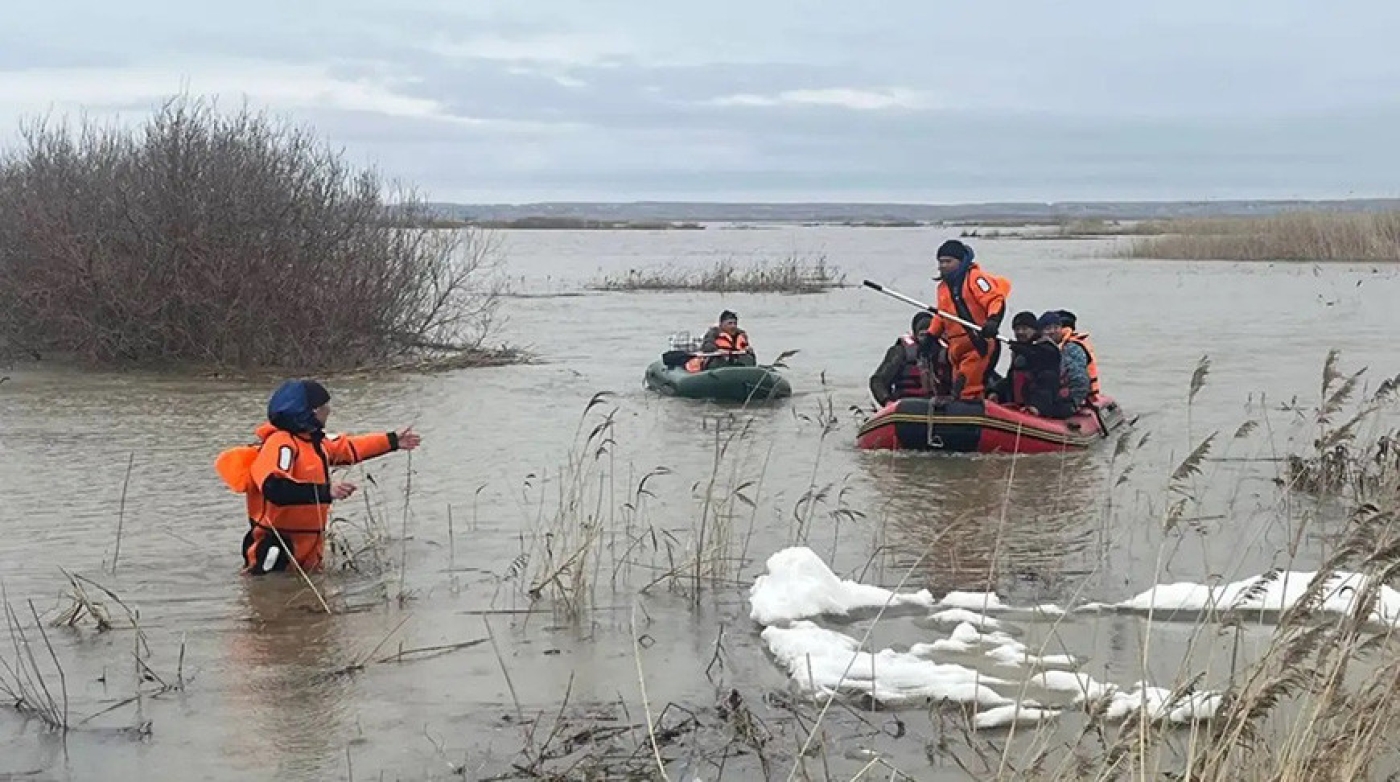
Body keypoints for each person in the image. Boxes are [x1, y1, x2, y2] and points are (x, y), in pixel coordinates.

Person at [222, 379, 421, 576]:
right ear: (310, 412)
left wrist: (392, 441)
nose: (329, 411)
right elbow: (275, 488)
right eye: (324, 406)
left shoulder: (315, 442)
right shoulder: (280, 444)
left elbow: (349, 447)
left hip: (308, 547)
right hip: (277, 548)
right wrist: (327, 492)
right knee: (270, 598)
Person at [924, 239, 1011, 399]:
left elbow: (994, 300)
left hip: (978, 344)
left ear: (960, 261)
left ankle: (976, 411)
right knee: (958, 387)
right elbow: (942, 315)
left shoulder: (975, 278)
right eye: (941, 262)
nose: (943, 266)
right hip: (956, 348)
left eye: (948, 261)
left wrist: (993, 320)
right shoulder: (943, 288)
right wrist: (931, 336)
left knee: (968, 389)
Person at [988, 311, 1064, 416]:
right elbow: (1010, 379)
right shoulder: (1018, 352)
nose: (1020, 332)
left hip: (1042, 405)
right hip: (1018, 404)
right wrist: (995, 392)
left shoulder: (1048, 348)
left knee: (1047, 377)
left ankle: (1036, 408)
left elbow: (1037, 358)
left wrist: (1036, 406)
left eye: (1024, 329)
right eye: (1017, 329)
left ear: (1034, 330)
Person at [869, 312, 951, 406]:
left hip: (939, 405)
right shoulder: (901, 352)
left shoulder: (946, 353)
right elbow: (878, 381)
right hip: (907, 404)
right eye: (922, 334)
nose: (925, 339)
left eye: (928, 335)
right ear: (915, 334)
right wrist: (887, 401)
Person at [1041, 311, 1092, 414]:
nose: (1052, 331)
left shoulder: (1070, 348)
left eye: (1056, 327)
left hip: (1069, 399)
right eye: (1047, 328)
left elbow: (1079, 379)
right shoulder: (1039, 348)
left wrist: (1073, 402)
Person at [1055, 309, 1102, 401]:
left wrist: (1071, 402)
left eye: (1054, 327)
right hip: (1089, 396)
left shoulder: (1071, 348)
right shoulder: (1076, 342)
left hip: (1079, 399)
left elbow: (1079, 380)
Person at [687, 309, 755, 371]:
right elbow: (707, 346)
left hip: (736, 361)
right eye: (730, 323)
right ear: (721, 324)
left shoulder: (741, 335)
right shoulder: (713, 333)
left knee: (748, 358)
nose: (733, 326)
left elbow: (744, 347)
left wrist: (748, 349)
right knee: (718, 360)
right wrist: (717, 350)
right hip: (718, 361)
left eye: (735, 323)